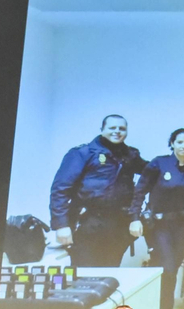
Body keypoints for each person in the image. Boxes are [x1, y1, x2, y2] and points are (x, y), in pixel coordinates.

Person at [129, 127, 184, 309]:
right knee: (166, 270)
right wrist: (134, 217)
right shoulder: (159, 164)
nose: (183, 146)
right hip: (159, 227)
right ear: (172, 144)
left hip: (180, 227)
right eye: (179, 142)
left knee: (172, 272)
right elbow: (139, 191)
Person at [49, 114, 142, 266]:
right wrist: (61, 225)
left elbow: (151, 171)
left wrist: (179, 162)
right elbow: (60, 190)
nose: (117, 131)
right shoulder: (83, 153)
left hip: (117, 225)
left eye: (122, 128)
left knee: (110, 271)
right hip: (88, 222)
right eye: (112, 128)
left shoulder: (130, 155)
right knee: (84, 273)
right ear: (102, 129)